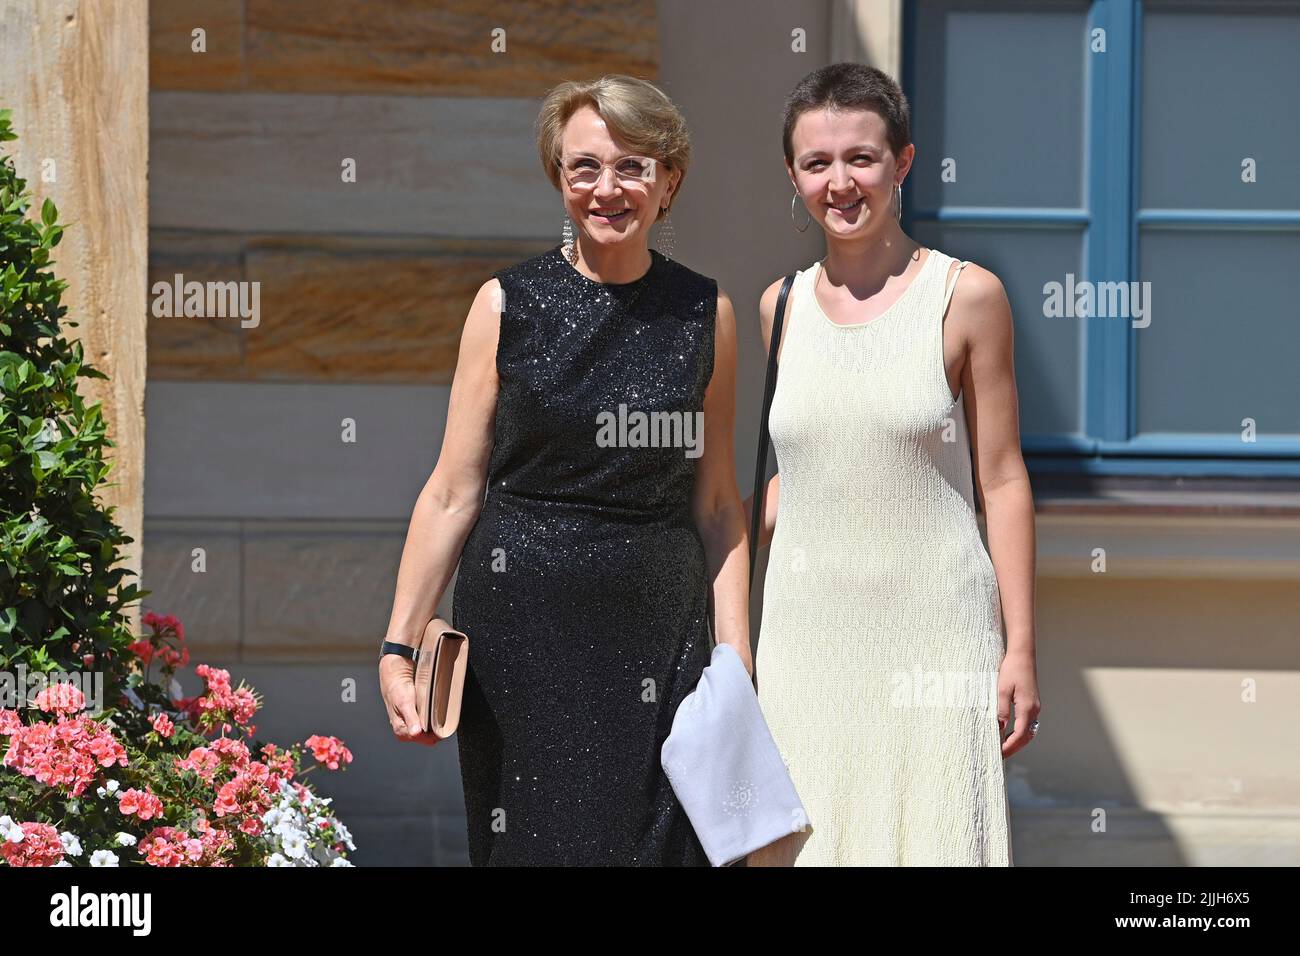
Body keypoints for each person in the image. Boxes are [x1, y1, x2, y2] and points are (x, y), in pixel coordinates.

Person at [377, 74, 751, 866]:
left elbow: (718, 505)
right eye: (584, 167)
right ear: (558, 178)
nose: (607, 189)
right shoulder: (504, 306)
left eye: (632, 167)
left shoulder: (705, 314)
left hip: (662, 639)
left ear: (669, 181)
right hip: (520, 642)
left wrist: (736, 660)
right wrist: (398, 647)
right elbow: (452, 491)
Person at [747, 63, 1042, 866]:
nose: (839, 182)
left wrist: (1020, 647)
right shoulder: (780, 306)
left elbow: (1004, 478)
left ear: (902, 162)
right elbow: (803, 475)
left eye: (861, 158)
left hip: (936, 638)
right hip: (805, 644)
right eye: (817, 163)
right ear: (793, 174)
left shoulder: (966, 296)